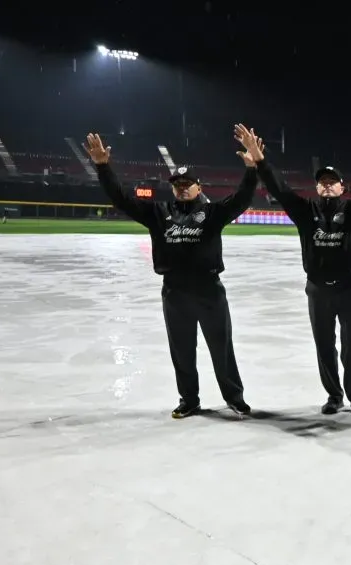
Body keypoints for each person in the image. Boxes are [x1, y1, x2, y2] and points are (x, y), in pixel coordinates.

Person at [83, 130, 259, 419]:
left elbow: (241, 199)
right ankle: (189, 400)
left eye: (187, 183)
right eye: (177, 184)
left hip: (209, 291)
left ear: (198, 186)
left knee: (221, 349)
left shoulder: (213, 213)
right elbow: (121, 198)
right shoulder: (158, 212)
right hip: (175, 292)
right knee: (182, 352)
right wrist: (103, 166)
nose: (181, 188)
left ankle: (235, 398)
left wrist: (252, 169)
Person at [238, 124, 351, 418]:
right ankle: (334, 395)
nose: (327, 185)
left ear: (343, 187)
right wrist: (261, 162)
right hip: (318, 290)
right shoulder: (305, 212)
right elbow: (280, 188)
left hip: (347, 288)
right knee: (325, 346)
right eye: (323, 181)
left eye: (333, 181)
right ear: (316, 187)